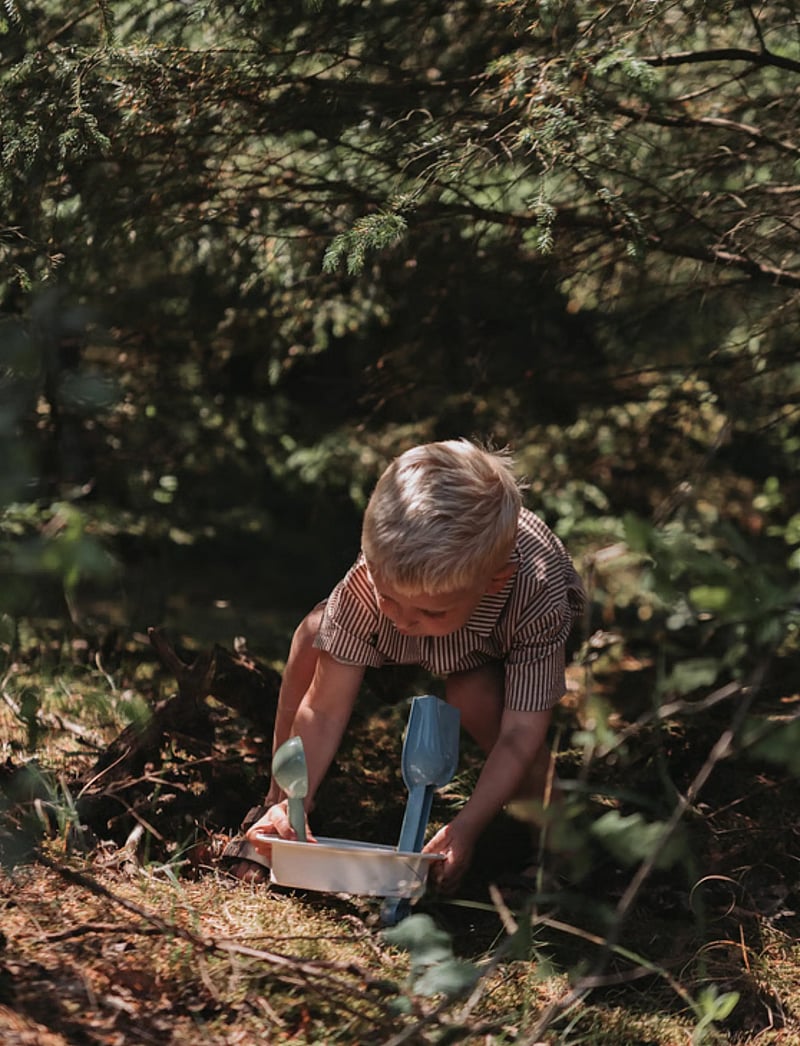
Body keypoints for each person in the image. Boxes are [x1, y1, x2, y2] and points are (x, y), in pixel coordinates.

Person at [233, 439, 585, 892]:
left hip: (496, 641)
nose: (402, 618)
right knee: (312, 636)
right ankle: (281, 810)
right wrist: (291, 799)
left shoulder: (534, 593)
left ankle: (551, 842)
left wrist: (466, 828)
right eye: (389, 597)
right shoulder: (374, 584)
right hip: (434, 619)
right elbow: (322, 710)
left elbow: (522, 730)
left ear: (493, 581)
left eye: (429, 612)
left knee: (474, 697)